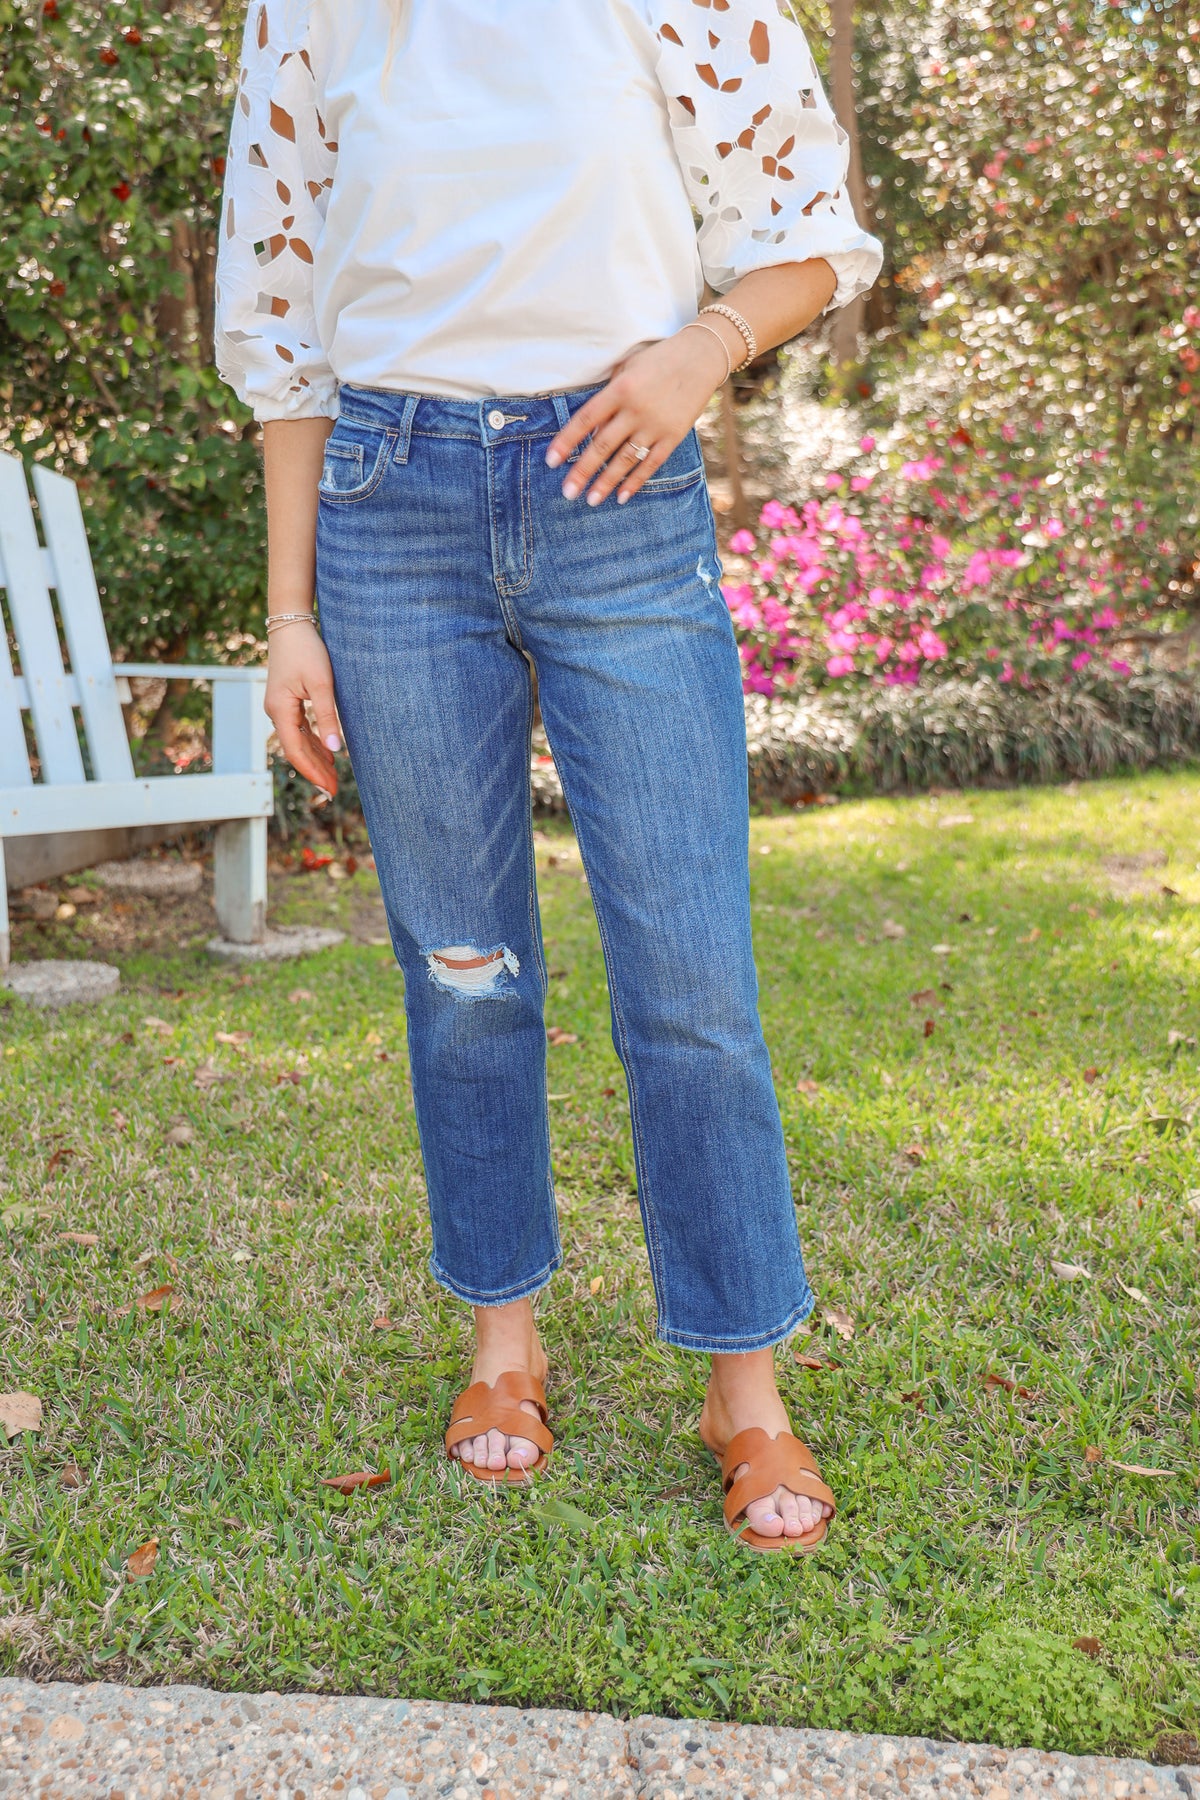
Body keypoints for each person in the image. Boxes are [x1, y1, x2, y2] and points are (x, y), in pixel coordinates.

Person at [214, 0, 882, 1553]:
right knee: (465, 969)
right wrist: (291, 615)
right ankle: (502, 1348)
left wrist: (700, 352)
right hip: (390, 507)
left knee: (691, 975)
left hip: (621, 496)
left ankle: (744, 1387)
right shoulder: (311, 12)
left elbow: (811, 237)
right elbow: (283, 314)